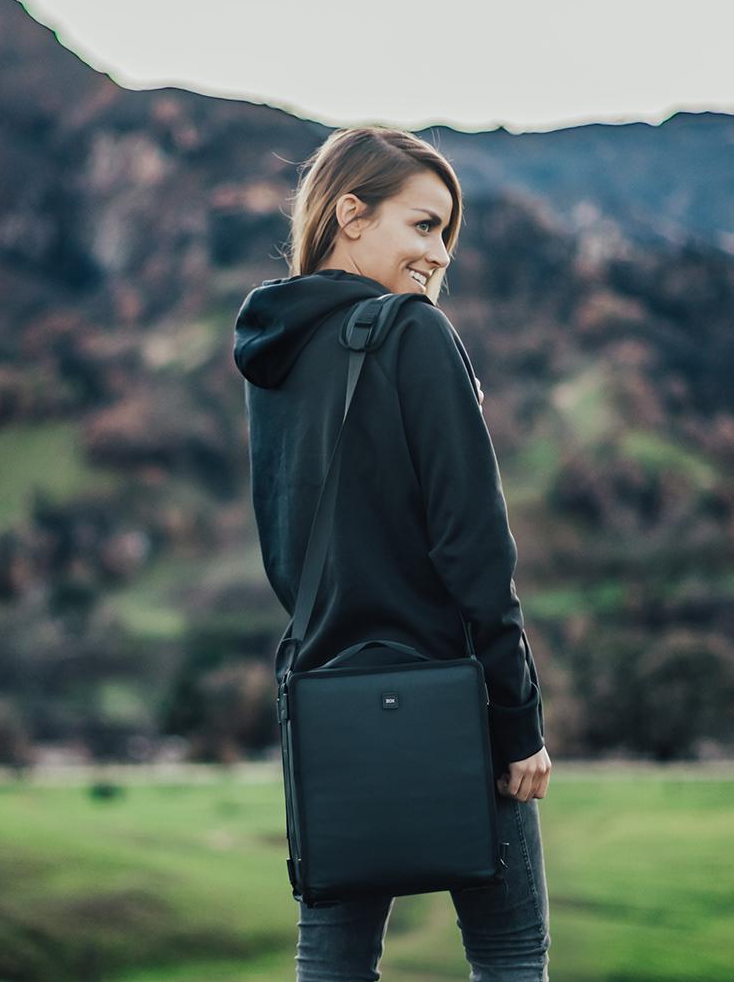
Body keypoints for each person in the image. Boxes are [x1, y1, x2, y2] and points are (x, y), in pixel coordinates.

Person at [234, 125, 552, 981]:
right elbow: (476, 549)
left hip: (331, 699)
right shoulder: (413, 333)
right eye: (422, 225)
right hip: (454, 694)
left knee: (332, 960)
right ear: (351, 214)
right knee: (509, 951)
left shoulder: (276, 358)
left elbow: (285, 552)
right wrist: (517, 721)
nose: (438, 254)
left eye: (447, 234)